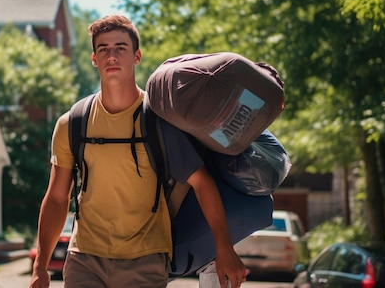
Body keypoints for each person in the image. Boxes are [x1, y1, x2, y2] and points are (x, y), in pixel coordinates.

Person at [29, 15, 247, 288]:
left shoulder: (158, 120)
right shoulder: (73, 122)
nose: (112, 56)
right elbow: (57, 198)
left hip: (145, 260)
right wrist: (41, 267)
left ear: (137, 56)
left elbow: (202, 182)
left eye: (121, 48)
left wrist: (224, 249)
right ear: (94, 59)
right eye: (103, 49)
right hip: (84, 258)